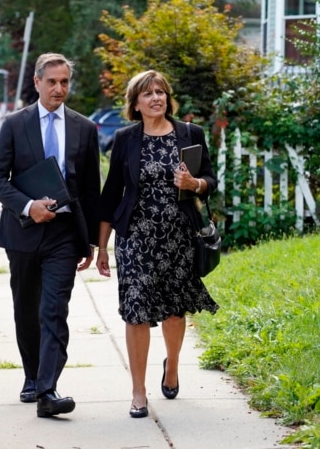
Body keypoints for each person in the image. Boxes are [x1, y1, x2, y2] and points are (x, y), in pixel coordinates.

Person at [95, 70, 219, 418]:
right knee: (136, 310)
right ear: (135, 103)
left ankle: (173, 365)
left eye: (161, 91)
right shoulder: (125, 139)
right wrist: (101, 246)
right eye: (147, 93)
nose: (156, 98)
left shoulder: (189, 134)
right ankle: (138, 392)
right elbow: (110, 194)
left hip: (179, 235)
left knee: (174, 310)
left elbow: (211, 180)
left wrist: (194, 183)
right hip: (135, 237)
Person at [0, 52, 101, 418]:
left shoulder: (84, 127)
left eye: (64, 81)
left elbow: (91, 189)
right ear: (36, 83)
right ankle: (32, 377)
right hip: (22, 232)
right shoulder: (15, 124)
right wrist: (28, 206)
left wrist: (95, 242)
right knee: (26, 309)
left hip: (65, 233)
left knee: (54, 310)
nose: (59, 88)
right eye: (51, 81)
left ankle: (48, 390)